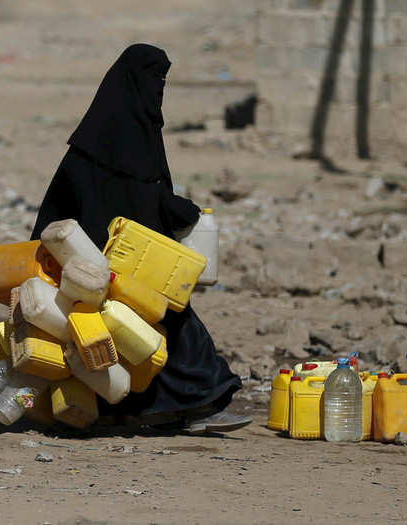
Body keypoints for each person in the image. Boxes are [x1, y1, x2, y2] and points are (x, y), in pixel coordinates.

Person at [31, 43, 251, 433]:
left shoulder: (107, 135)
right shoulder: (123, 138)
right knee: (175, 328)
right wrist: (181, 211)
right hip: (113, 265)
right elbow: (140, 199)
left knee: (133, 339)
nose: (159, 89)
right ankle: (200, 405)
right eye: (155, 80)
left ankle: (157, 411)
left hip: (104, 261)